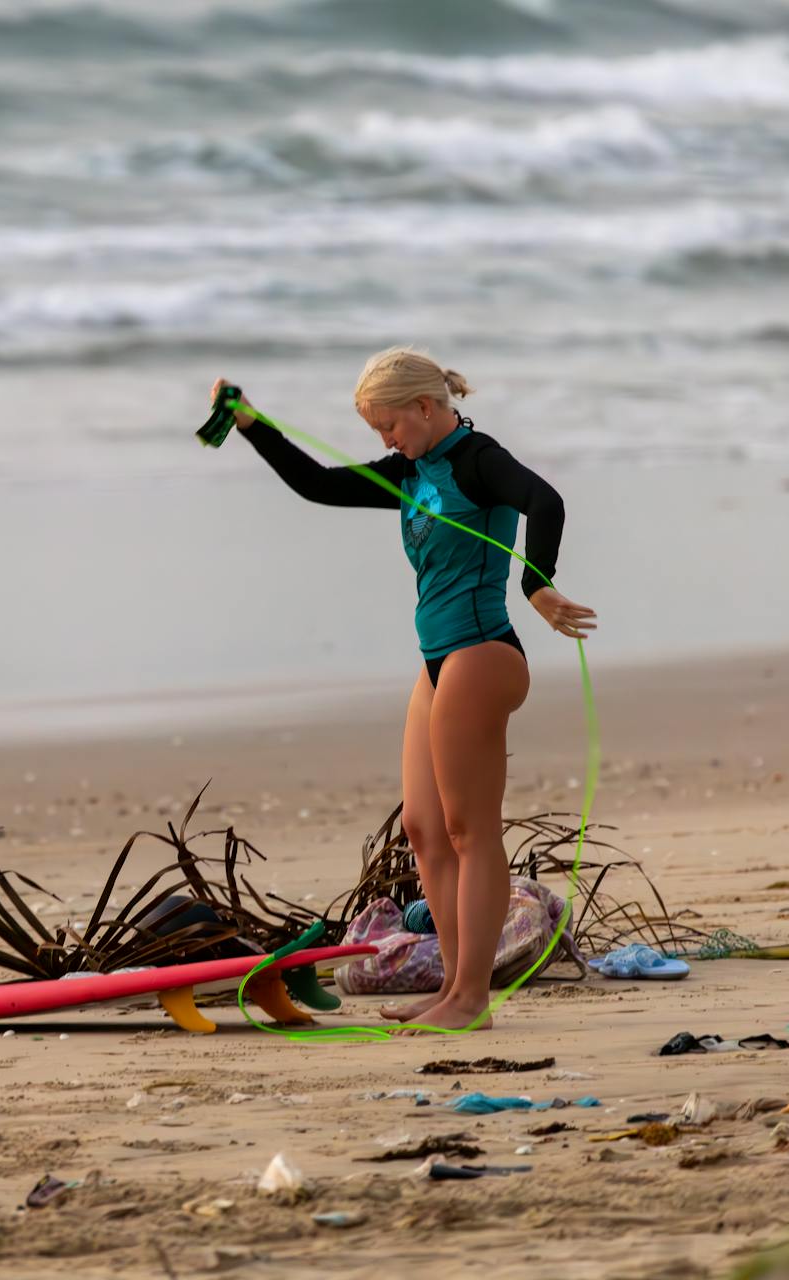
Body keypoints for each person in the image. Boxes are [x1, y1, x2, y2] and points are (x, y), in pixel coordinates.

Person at [214, 348, 596, 1031]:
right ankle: (452, 989)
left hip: (483, 654)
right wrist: (250, 423)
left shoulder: (478, 458)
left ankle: (472, 998)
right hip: (437, 662)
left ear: (426, 407)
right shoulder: (411, 470)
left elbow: (546, 500)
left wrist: (536, 581)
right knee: (425, 831)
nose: (386, 442)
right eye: (376, 432)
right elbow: (318, 485)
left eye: (390, 426)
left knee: (468, 830)